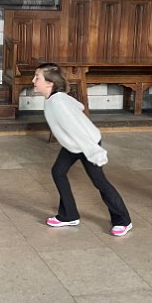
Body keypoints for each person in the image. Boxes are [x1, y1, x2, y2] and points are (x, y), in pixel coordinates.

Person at [32, 62, 133, 237]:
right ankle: (69, 215)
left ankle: (123, 220)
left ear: (49, 83)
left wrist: (95, 152)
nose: (33, 80)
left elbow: (79, 131)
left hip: (87, 143)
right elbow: (79, 106)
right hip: (73, 144)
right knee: (58, 172)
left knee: (99, 182)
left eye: (37, 77)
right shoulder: (56, 97)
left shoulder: (58, 103)